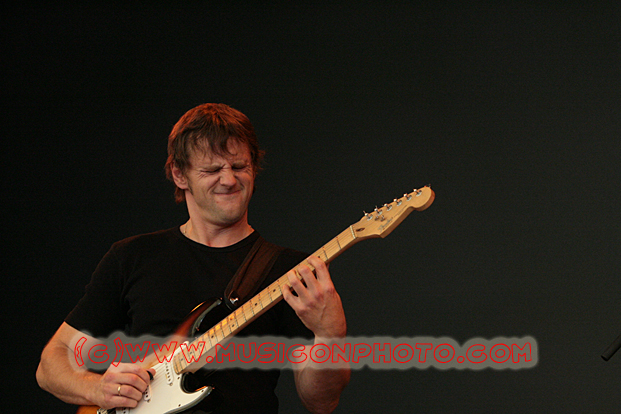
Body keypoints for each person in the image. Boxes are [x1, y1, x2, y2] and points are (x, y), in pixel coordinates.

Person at [36, 103, 350, 413]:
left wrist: (330, 335)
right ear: (179, 174)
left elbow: (320, 401)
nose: (229, 180)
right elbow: (52, 363)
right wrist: (97, 389)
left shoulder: (290, 272)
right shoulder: (132, 256)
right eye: (212, 170)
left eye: (239, 166)